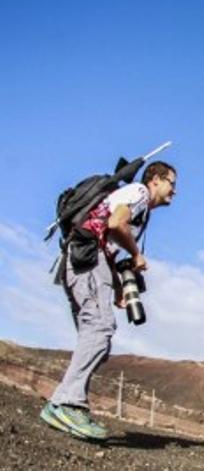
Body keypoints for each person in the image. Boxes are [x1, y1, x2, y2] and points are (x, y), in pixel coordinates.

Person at [39, 162, 177, 440]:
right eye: (172, 183)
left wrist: (116, 288)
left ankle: (68, 404)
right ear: (156, 180)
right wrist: (136, 255)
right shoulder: (138, 192)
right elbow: (115, 223)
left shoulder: (138, 203)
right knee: (100, 330)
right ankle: (66, 404)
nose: (175, 190)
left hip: (84, 260)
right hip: (88, 258)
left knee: (96, 337)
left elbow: (109, 233)